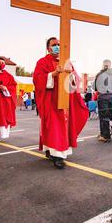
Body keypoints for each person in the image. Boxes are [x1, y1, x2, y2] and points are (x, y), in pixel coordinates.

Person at [33, 37, 89, 169]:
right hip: (51, 100)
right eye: (54, 45)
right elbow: (37, 79)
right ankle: (57, 156)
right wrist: (53, 73)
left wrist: (71, 75)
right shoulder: (42, 62)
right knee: (54, 128)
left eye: (59, 44)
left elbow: (75, 81)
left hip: (66, 101)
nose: (57, 46)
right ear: (48, 48)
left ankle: (54, 151)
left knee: (62, 127)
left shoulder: (67, 62)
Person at [0, 57, 17, 145]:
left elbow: (13, 86)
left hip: (5, 101)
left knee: (3, 118)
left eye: (2, 62)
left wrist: (6, 88)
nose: (1, 64)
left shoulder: (9, 75)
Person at [93, 59, 112, 143]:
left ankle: (105, 135)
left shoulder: (99, 74)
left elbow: (94, 87)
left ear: (103, 65)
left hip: (103, 96)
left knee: (104, 116)